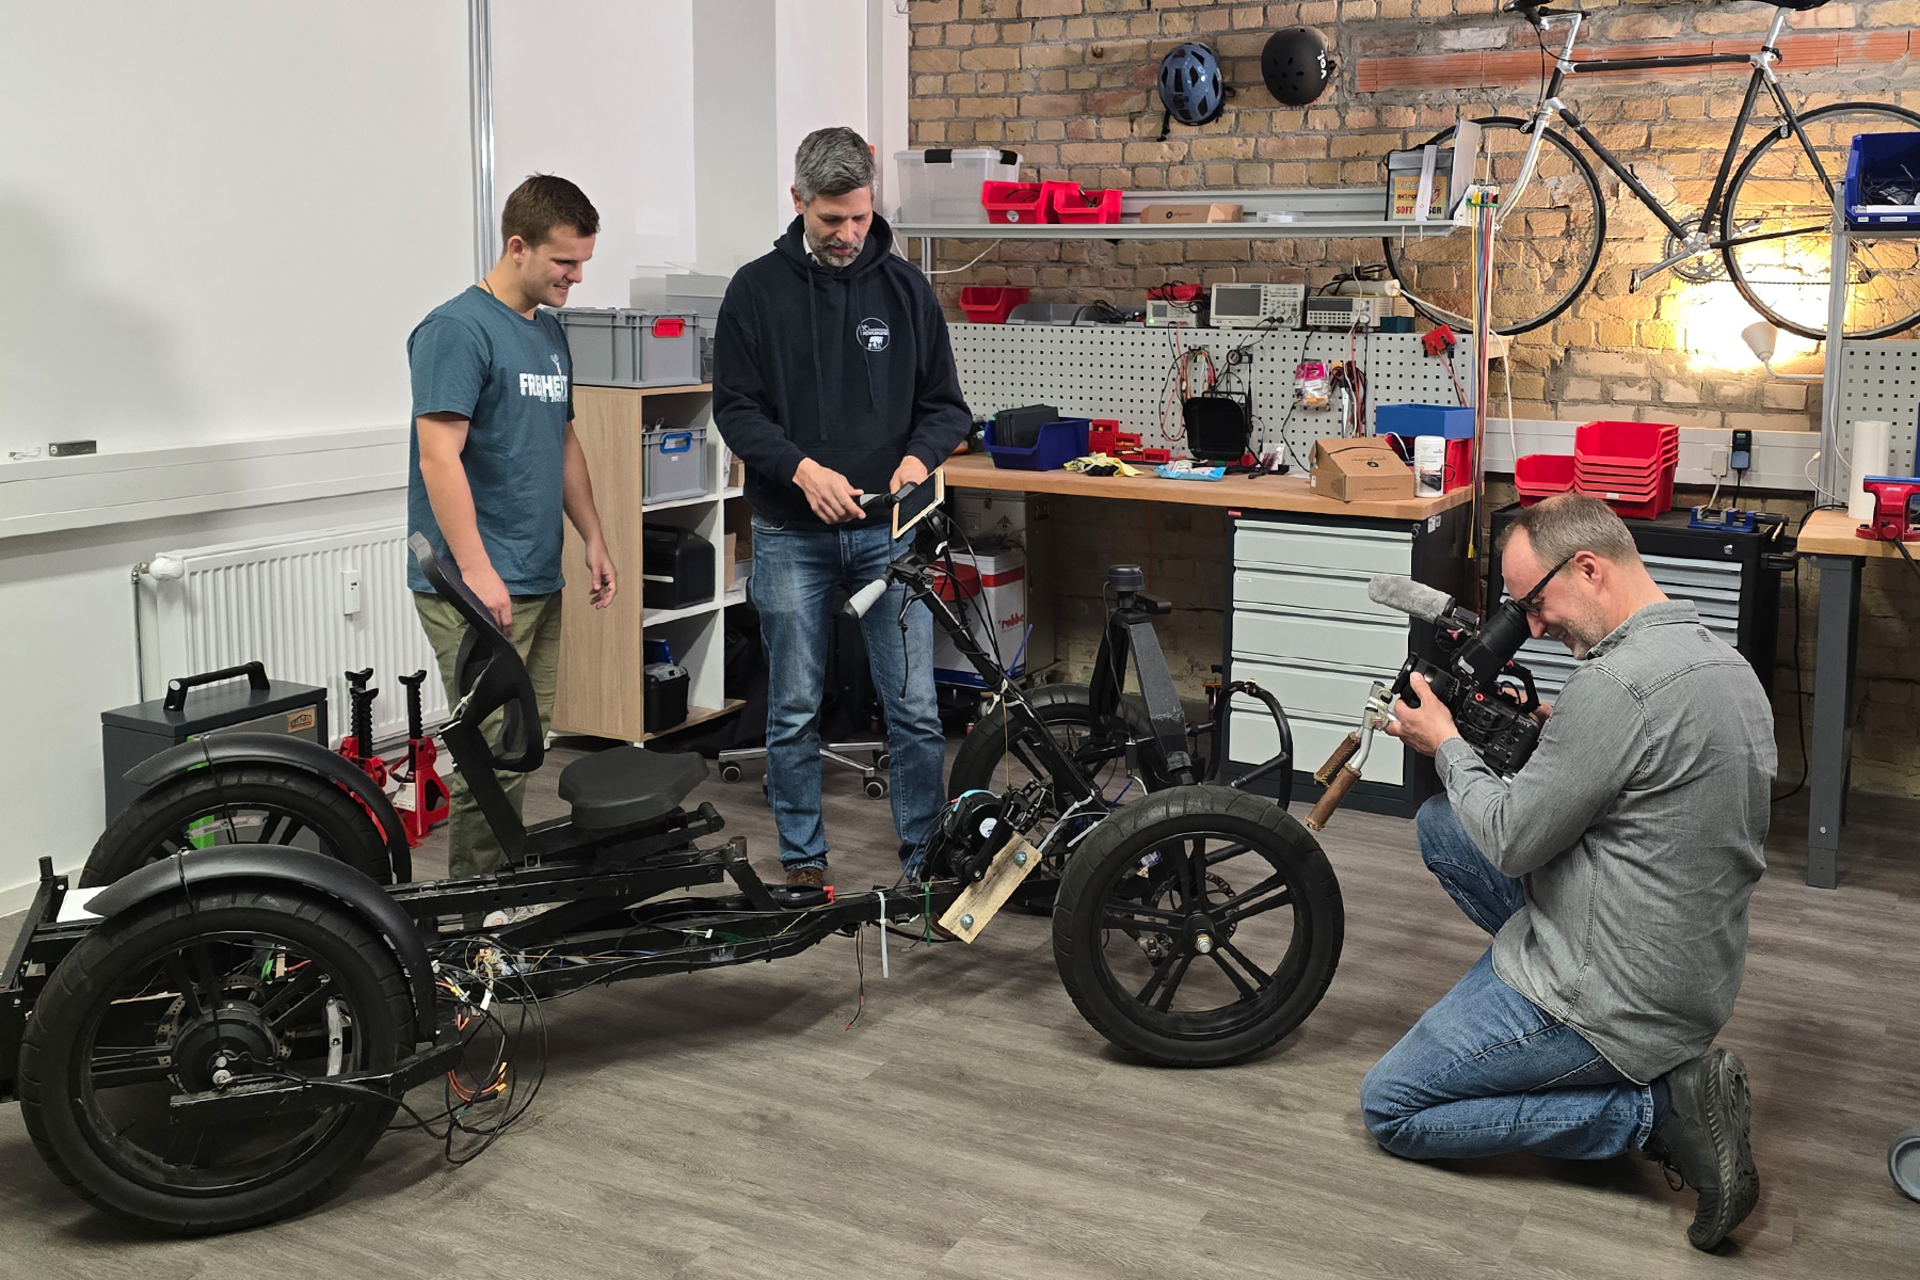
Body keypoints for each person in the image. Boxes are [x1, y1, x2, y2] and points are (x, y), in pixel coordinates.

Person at [1363, 493, 1775, 1252]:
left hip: (1615, 994)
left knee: (1394, 1108)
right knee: (1444, 827)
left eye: (1537, 603)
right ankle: (1581, 1029)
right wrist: (1563, 738)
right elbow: (1645, 783)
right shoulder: (1724, 664)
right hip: (1694, 968)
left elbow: (1517, 844)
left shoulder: (1615, 689)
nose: (1536, 625)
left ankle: (1659, 1109)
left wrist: (1445, 742)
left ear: (1588, 568)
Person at [712, 126, 972, 887]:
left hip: (890, 534)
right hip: (793, 534)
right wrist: (799, 470)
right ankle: (802, 864)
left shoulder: (905, 289)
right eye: (832, 219)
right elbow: (736, 408)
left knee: (915, 709)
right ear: (798, 202)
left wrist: (918, 460)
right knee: (793, 708)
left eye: (860, 217)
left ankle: (926, 860)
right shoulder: (754, 293)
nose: (849, 234)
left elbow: (947, 408)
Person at [407, 174, 617, 879]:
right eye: (565, 262)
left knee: (526, 744)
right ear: (518, 246)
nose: (576, 277)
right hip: (474, 582)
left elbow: (562, 444)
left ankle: (497, 888)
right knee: (490, 751)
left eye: (583, 261)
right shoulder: (456, 330)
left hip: (534, 573)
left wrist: (593, 538)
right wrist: (477, 570)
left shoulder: (549, 332)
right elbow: (440, 456)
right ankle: (471, 919)